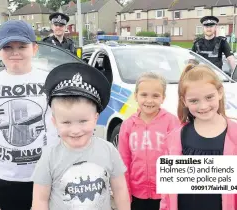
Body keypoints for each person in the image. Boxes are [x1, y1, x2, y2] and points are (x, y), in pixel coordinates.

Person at [31, 62, 130, 210]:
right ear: (55, 122)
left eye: (83, 121)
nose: (75, 130)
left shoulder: (108, 151)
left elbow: (120, 189)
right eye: (66, 122)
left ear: (96, 118)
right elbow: (40, 200)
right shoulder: (49, 157)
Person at [0, 20, 57, 210]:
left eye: (21, 46)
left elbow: (60, 125)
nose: (15, 52)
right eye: (7, 47)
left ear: (34, 48)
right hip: (7, 176)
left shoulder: (49, 80)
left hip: (45, 174)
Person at [159, 64, 237, 210]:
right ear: (184, 101)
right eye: (194, 101)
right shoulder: (176, 138)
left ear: (220, 92)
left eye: (209, 97)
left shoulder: (235, 136)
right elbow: (167, 195)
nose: (203, 106)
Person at [118, 72, 179, 210]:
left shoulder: (172, 122)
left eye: (155, 96)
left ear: (163, 98)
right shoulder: (128, 125)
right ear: (135, 96)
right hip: (136, 194)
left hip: (164, 194)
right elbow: (123, 161)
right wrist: (125, 193)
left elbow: (177, 158)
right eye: (144, 95)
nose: (149, 100)